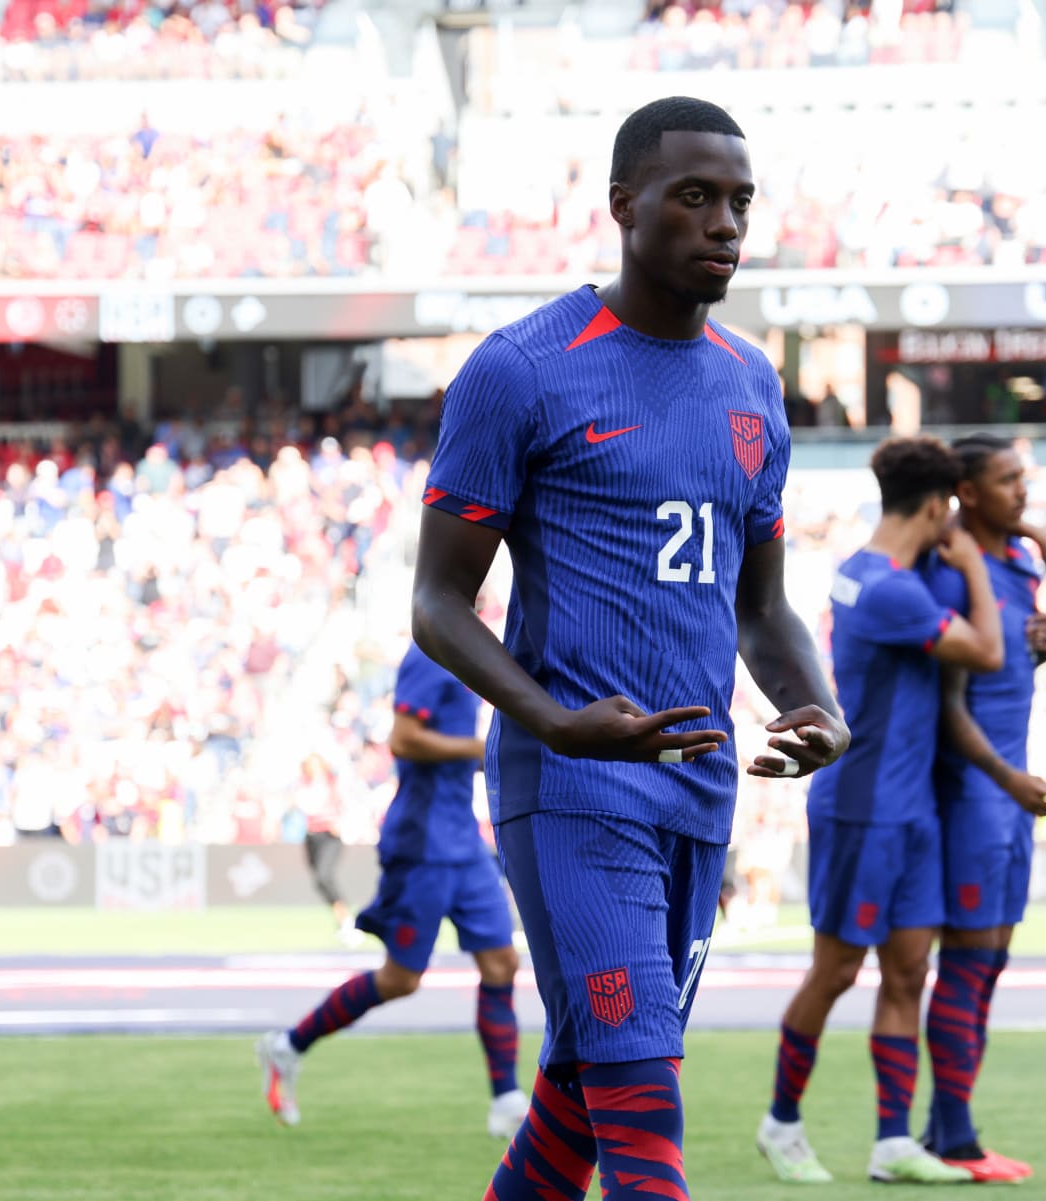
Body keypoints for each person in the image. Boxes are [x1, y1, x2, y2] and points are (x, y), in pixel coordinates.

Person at [409, 96, 849, 1201]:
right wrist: (553, 718)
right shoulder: (522, 368)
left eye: (740, 202)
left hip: (700, 793)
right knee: (645, 1108)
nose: (724, 224)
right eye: (694, 197)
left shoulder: (753, 385)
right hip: (570, 787)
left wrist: (815, 703)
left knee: (579, 1101)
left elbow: (763, 607)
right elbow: (439, 603)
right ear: (623, 206)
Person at [757, 436, 1005, 1186]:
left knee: (907, 973)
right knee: (834, 971)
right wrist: (970, 566)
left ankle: (893, 1140)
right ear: (937, 507)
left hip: (908, 805)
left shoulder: (864, 574)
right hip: (865, 804)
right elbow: (988, 651)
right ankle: (781, 1121)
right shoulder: (896, 590)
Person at [256, 643, 530, 1137]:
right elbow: (403, 740)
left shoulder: (470, 648)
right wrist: (482, 751)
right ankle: (288, 1045)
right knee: (401, 980)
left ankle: (506, 1099)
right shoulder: (432, 652)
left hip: (462, 838)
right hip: (422, 842)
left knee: (501, 961)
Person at [917, 432, 1046, 1181]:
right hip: (978, 789)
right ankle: (956, 1138)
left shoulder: (1012, 564)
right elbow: (947, 707)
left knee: (991, 962)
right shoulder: (954, 574)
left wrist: (1041, 646)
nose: (1024, 491)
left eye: (1025, 478)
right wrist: (1007, 780)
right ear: (969, 493)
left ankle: (942, 1129)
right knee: (968, 962)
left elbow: (1007, 657)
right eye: (1008, 480)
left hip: (1009, 789)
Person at [297, 752, 362, 947]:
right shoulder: (304, 785)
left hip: (331, 835)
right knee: (319, 880)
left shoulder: (335, 783)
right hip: (312, 835)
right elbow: (306, 807)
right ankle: (342, 920)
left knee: (325, 875)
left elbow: (350, 804)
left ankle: (347, 920)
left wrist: (343, 824)